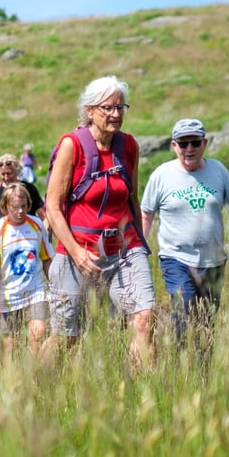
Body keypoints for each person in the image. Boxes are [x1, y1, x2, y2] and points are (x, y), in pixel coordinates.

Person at [42, 75, 156, 367]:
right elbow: (52, 208)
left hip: (124, 249)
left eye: (121, 108)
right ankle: (35, 387)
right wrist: (77, 252)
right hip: (78, 252)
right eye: (108, 108)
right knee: (66, 337)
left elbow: (132, 197)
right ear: (90, 110)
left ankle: (144, 398)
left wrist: (140, 243)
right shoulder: (72, 146)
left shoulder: (128, 146)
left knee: (144, 319)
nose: (116, 114)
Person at [141, 118, 229, 347]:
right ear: (174, 146)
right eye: (183, 143)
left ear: (204, 143)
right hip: (176, 258)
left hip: (214, 261)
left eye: (194, 143)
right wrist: (140, 248)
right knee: (184, 312)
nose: (189, 149)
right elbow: (146, 214)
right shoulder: (161, 175)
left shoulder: (218, 170)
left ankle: (203, 374)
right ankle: (182, 364)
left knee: (207, 322)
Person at [0, 183, 54, 357]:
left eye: (24, 206)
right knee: (10, 346)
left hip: (35, 292)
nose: (20, 211)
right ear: (6, 206)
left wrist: (55, 287)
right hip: (8, 296)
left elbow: (46, 259)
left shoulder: (36, 225)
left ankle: (34, 375)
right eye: (15, 207)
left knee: (38, 333)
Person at [0, 153, 46, 222]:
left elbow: (41, 212)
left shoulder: (28, 188)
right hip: (4, 229)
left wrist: (45, 230)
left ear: (17, 171)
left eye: (9, 173)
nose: (6, 178)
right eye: (3, 174)